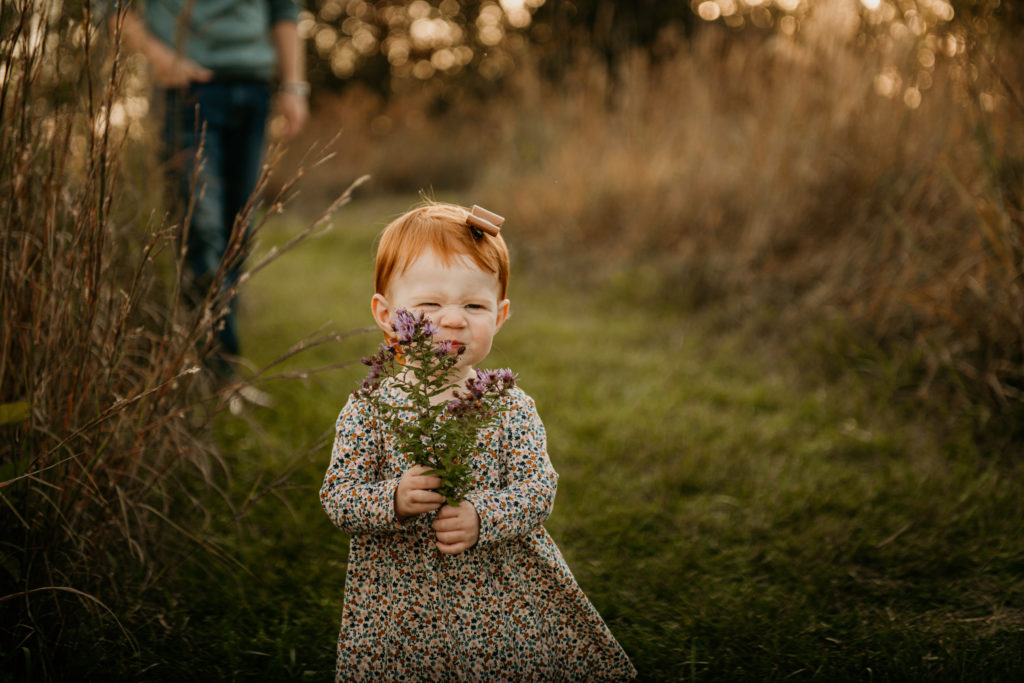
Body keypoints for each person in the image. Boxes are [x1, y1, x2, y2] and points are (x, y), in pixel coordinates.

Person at [319, 202, 637, 680]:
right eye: (429, 304)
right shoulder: (369, 408)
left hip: (496, 600)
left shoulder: (509, 406)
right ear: (386, 315)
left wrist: (482, 516)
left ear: (501, 314)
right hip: (399, 609)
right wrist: (394, 499)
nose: (452, 320)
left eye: (474, 305)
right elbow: (338, 495)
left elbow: (538, 490)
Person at [110, 0, 309, 381]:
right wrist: (160, 57)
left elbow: (283, 9)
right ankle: (218, 374)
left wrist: (295, 85)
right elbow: (112, 9)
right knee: (201, 229)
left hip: (253, 88)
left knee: (239, 230)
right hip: (185, 87)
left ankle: (212, 362)